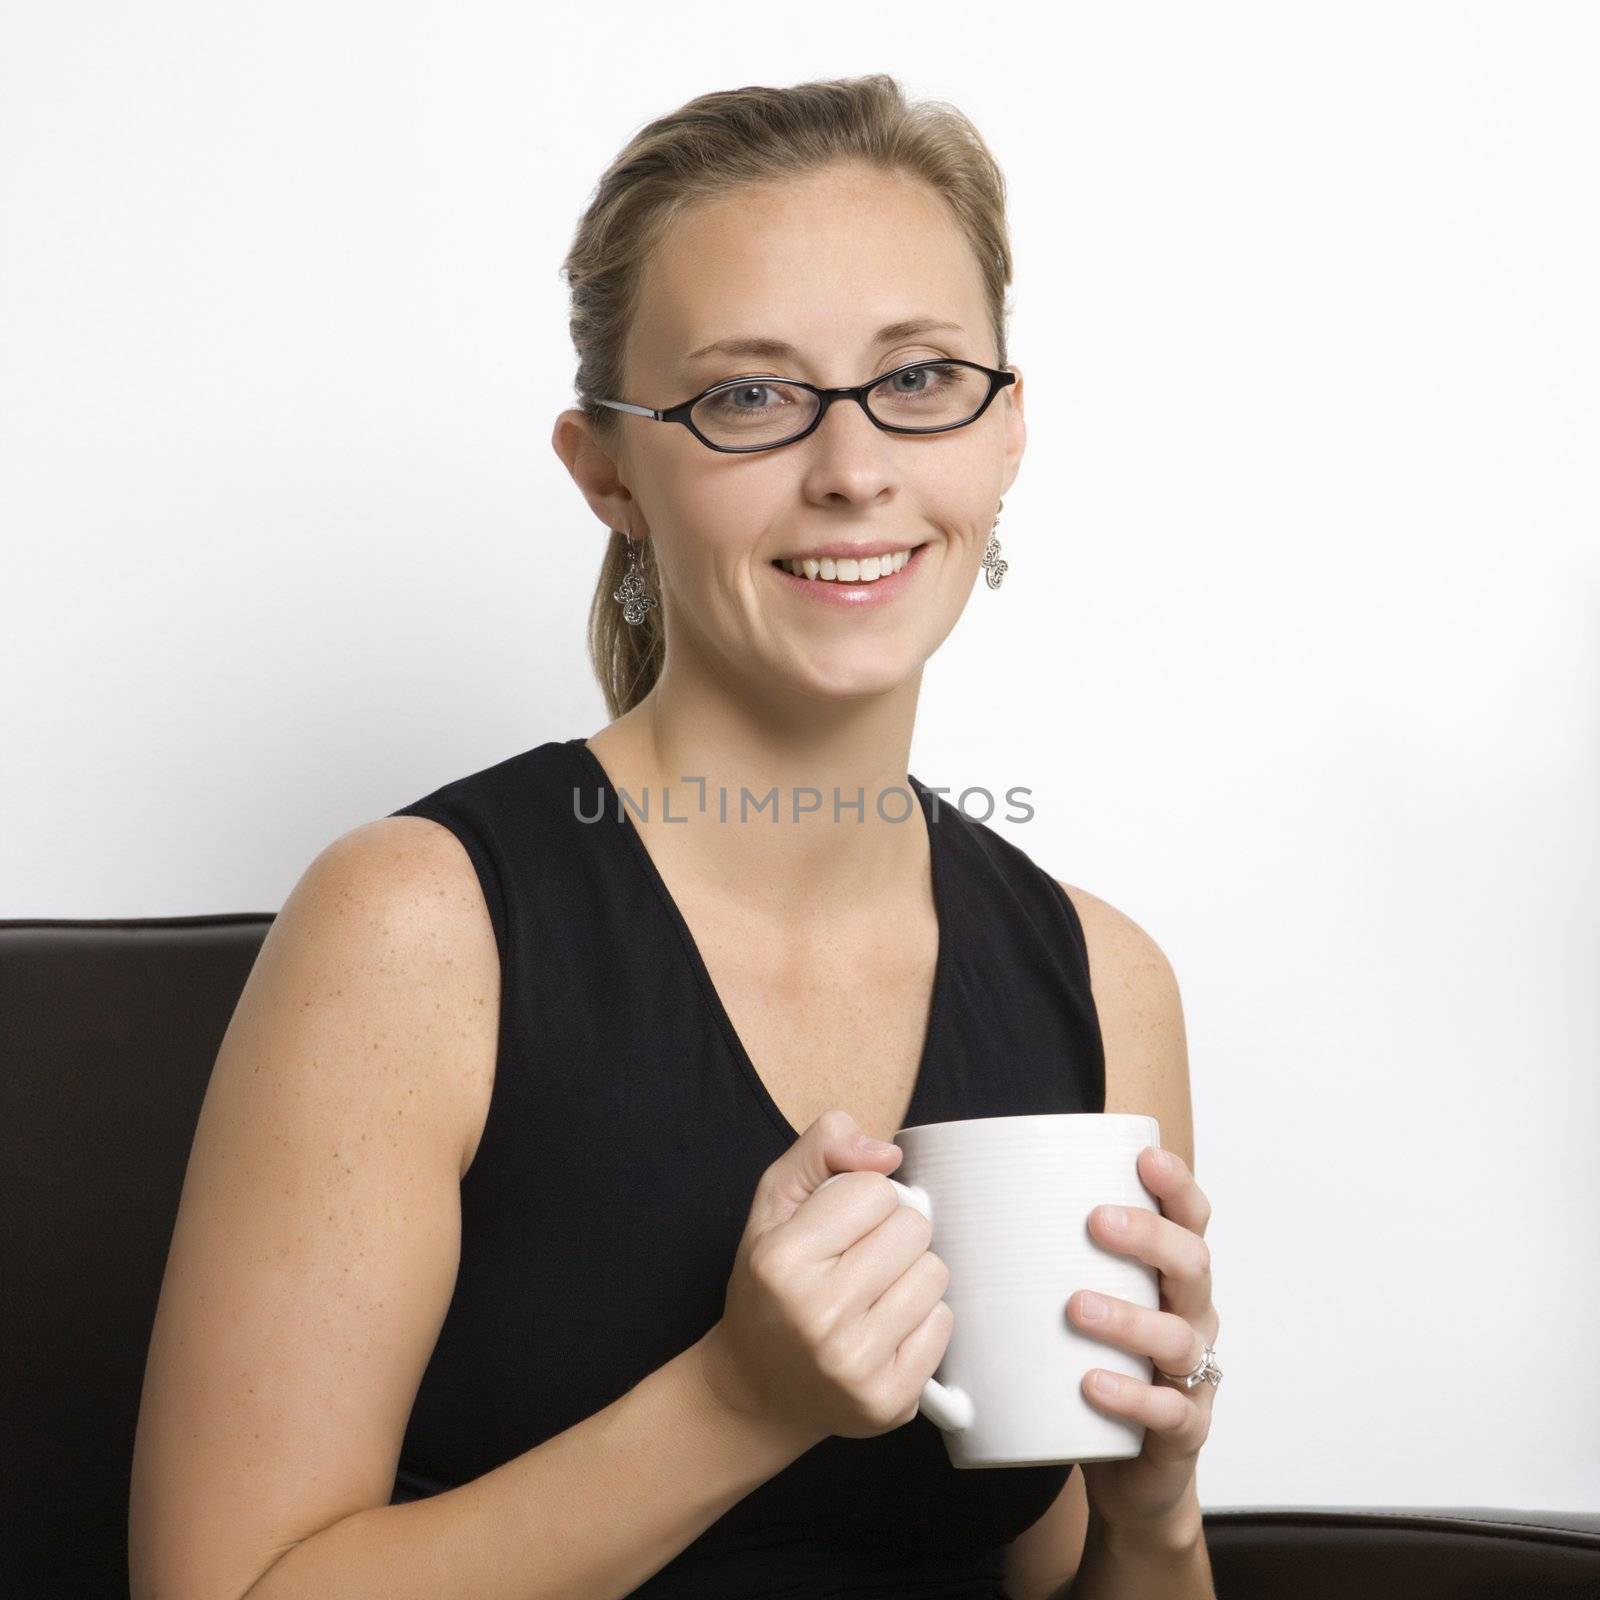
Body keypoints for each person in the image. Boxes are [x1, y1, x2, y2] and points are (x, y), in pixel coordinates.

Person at [130, 73, 1219, 1600]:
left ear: (1007, 432)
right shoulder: (417, 931)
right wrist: (738, 1402)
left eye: (919, 378)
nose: (853, 467)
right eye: (749, 397)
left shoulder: (1104, 984)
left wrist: (1155, 1516)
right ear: (608, 473)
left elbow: (1043, 1576)